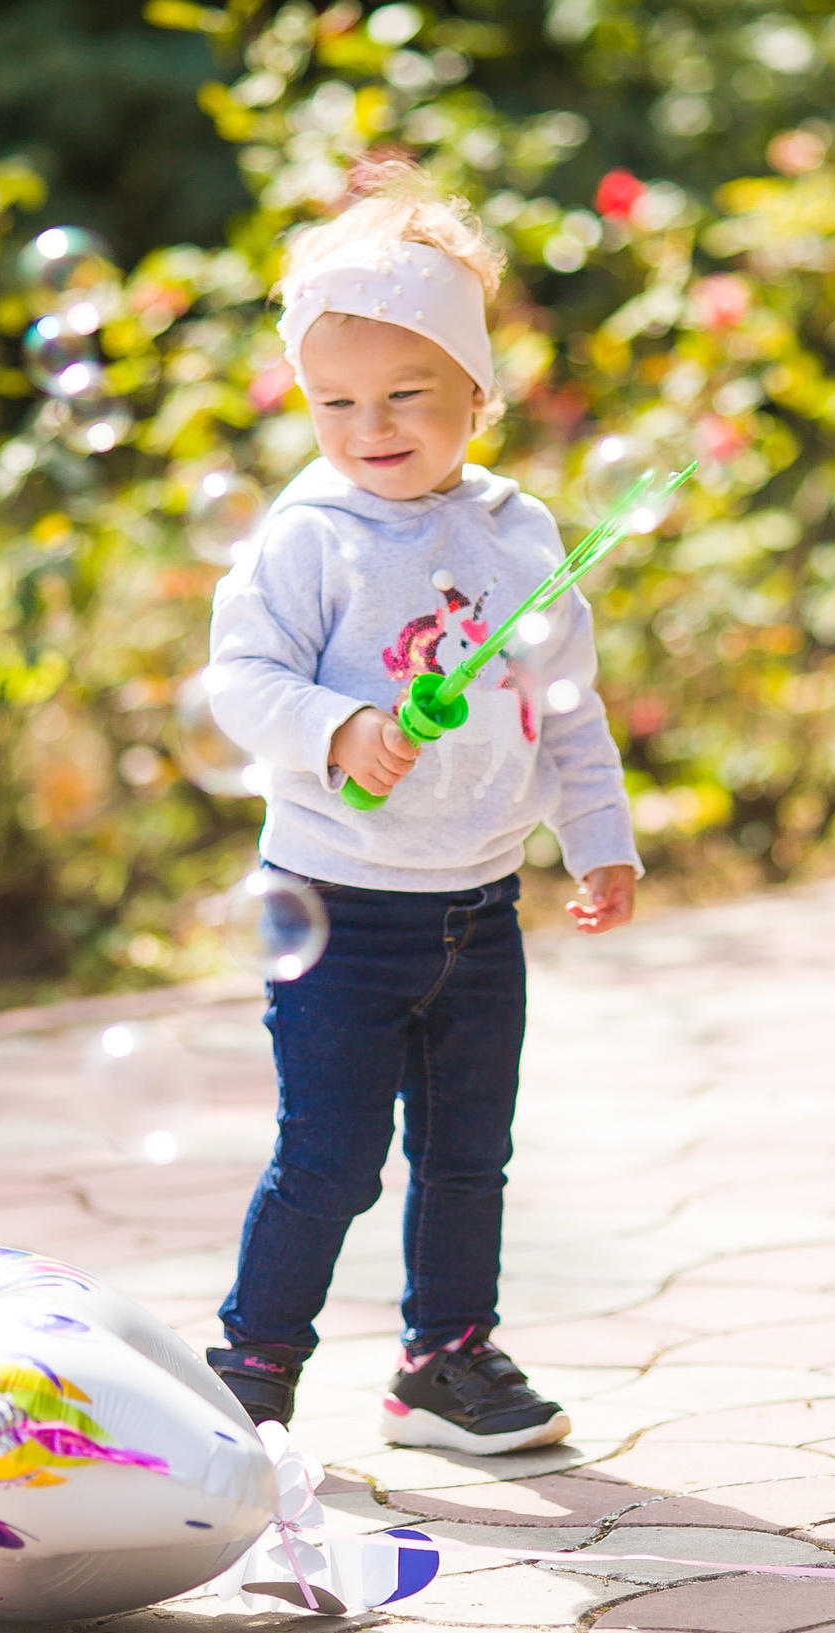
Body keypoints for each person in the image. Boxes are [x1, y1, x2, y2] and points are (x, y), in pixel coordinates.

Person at [201, 164, 641, 1455]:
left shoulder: (519, 534)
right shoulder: (307, 539)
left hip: (476, 909)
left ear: (476, 394)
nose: (369, 425)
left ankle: (445, 1359)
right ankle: (254, 1371)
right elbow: (241, 681)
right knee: (330, 1162)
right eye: (335, 400)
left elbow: (568, 709)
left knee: (467, 1157)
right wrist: (339, 730)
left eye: (407, 394)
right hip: (337, 909)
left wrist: (598, 838)